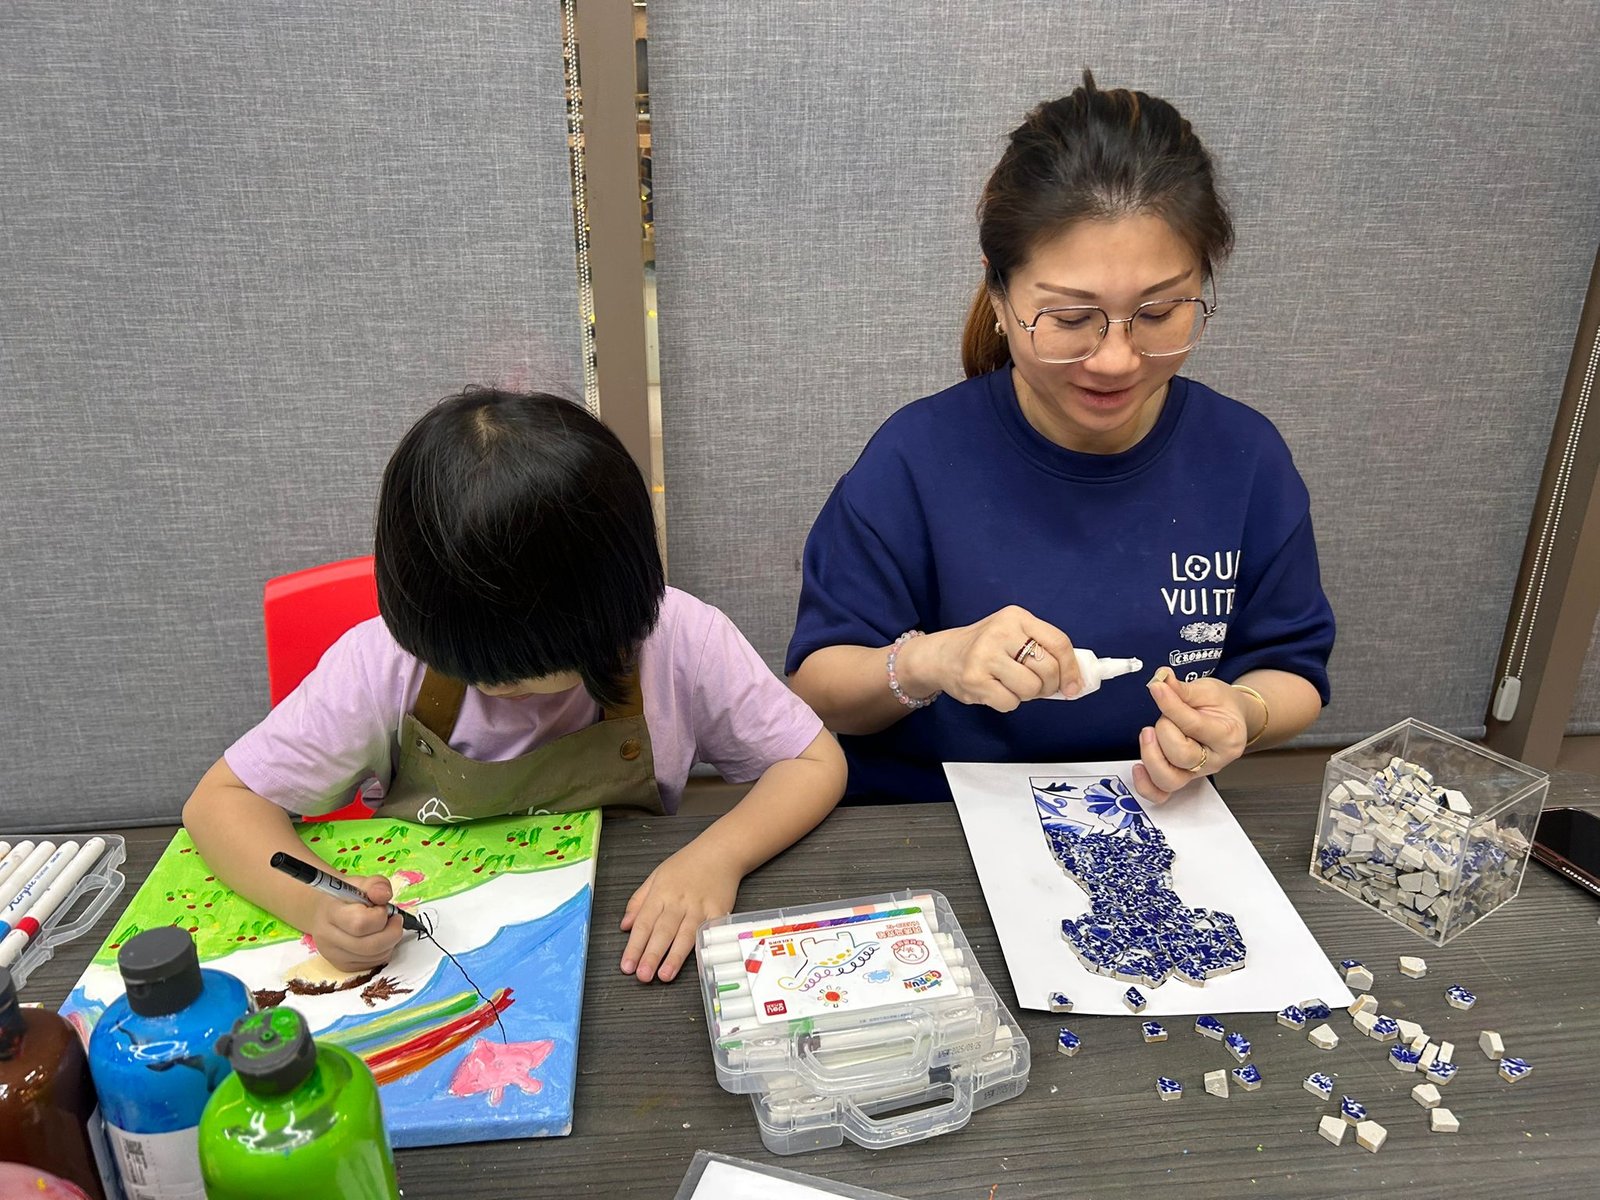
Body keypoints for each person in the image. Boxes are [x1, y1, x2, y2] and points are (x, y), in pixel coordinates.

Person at [787, 71, 1333, 805]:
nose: (1115, 358)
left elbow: (1292, 668)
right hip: (934, 818)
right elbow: (818, 689)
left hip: (1158, 817)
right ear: (1000, 294)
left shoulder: (1246, 460)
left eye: (1161, 311)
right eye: (1071, 319)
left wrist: (1243, 713)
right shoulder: (915, 461)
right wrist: (931, 662)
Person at [185, 388, 845, 984]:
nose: (526, 693)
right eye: (489, 678)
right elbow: (221, 801)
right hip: (429, 955)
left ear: (631, 594)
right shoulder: (382, 666)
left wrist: (715, 859)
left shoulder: (681, 639)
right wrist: (317, 901)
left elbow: (814, 761)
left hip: (622, 946)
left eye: (562, 665)